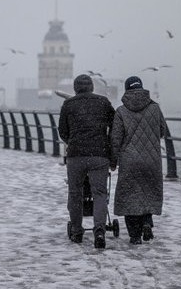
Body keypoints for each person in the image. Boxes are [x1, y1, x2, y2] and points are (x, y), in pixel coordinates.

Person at [58, 74, 115, 249]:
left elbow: (62, 131)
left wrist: (73, 142)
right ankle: (99, 230)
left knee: (75, 193)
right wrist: (107, 145)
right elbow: (114, 125)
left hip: (76, 156)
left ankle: (76, 231)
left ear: (75, 88)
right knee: (99, 193)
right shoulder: (103, 102)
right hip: (99, 155)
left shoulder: (68, 104)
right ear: (92, 87)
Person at [110, 76, 167, 245]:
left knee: (130, 197)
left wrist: (113, 161)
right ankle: (147, 224)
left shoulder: (121, 111)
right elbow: (162, 131)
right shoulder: (155, 108)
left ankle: (135, 236)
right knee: (147, 193)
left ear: (127, 89)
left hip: (129, 161)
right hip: (152, 160)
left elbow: (115, 139)